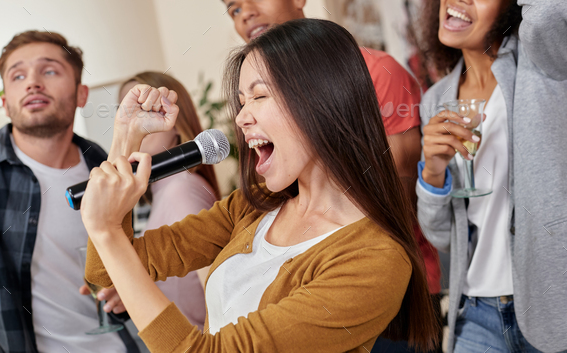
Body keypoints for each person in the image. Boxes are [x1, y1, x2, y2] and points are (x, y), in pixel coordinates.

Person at [80, 18, 440, 352]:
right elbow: (106, 271)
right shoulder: (256, 205)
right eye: (240, 101)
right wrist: (125, 141)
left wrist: (106, 231)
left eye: (259, 96)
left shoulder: (374, 262)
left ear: (324, 100)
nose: (241, 117)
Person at [216, 0, 443, 349]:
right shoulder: (259, 101)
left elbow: (398, 190)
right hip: (311, 286)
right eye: (234, 8)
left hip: (385, 284)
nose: (247, 13)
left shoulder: (377, 72)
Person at [416, 0, 567, 351]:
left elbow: (551, 7)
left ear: (508, 11)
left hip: (553, 306)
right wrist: (432, 173)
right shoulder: (436, 100)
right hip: (477, 310)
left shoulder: (541, 68)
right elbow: (443, 237)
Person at [0, 31, 139, 352]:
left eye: (49, 70)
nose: (33, 83)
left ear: (81, 94)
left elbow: (125, 258)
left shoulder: (103, 166)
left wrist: (127, 282)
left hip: (122, 344)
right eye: (18, 75)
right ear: (6, 104)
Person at [119, 72, 221, 329]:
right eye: (127, 112)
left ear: (176, 122)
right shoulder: (164, 191)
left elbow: (221, 301)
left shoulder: (181, 191)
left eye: (146, 110)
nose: (136, 123)